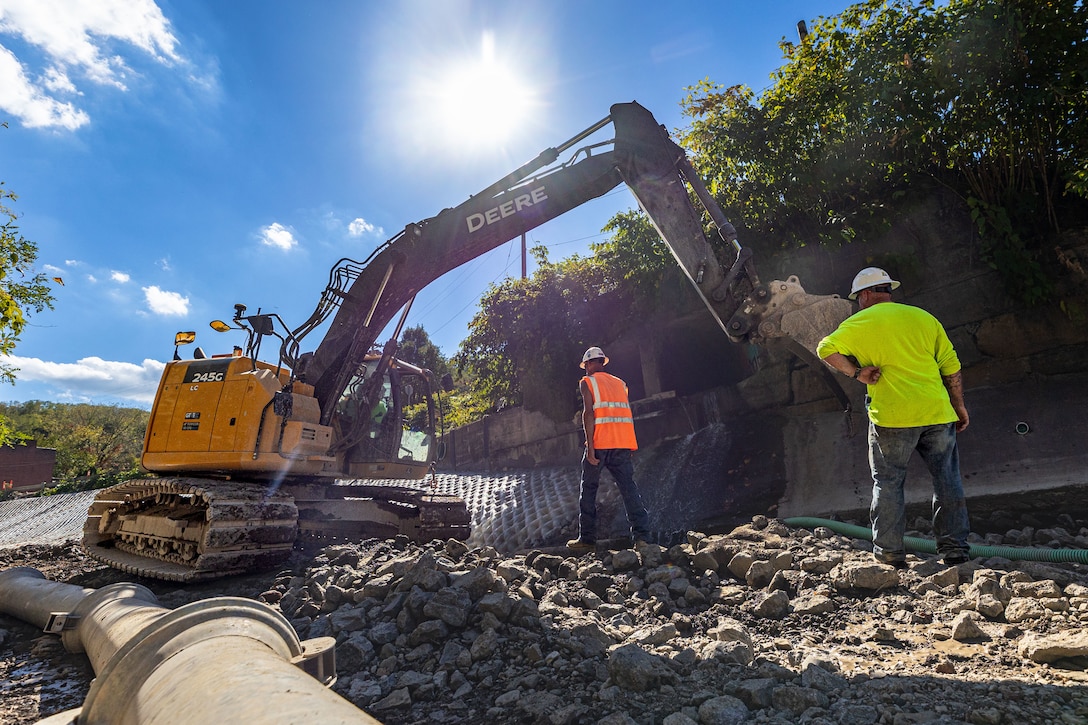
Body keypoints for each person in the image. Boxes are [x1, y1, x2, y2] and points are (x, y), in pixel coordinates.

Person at [816, 267, 971, 568]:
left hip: (892, 419)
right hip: (937, 413)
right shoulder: (923, 317)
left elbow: (825, 349)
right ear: (888, 290)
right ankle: (955, 551)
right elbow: (951, 364)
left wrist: (857, 373)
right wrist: (959, 405)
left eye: (857, 298)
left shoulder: (858, 322)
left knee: (887, 483)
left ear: (865, 295)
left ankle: (889, 553)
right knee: (947, 479)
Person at [566, 346, 652, 551]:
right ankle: (642, 538)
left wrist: (591, 447)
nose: (585, 369)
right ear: (603, 362)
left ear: (588, 364)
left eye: (585, 365)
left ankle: (586, 539)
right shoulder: (621, 384)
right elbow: (624, 414)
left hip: (600, 444)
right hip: (622, 443)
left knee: (588, 490)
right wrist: (630, 443)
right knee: (629, 490)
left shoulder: (587, 382)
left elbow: (589, 414)